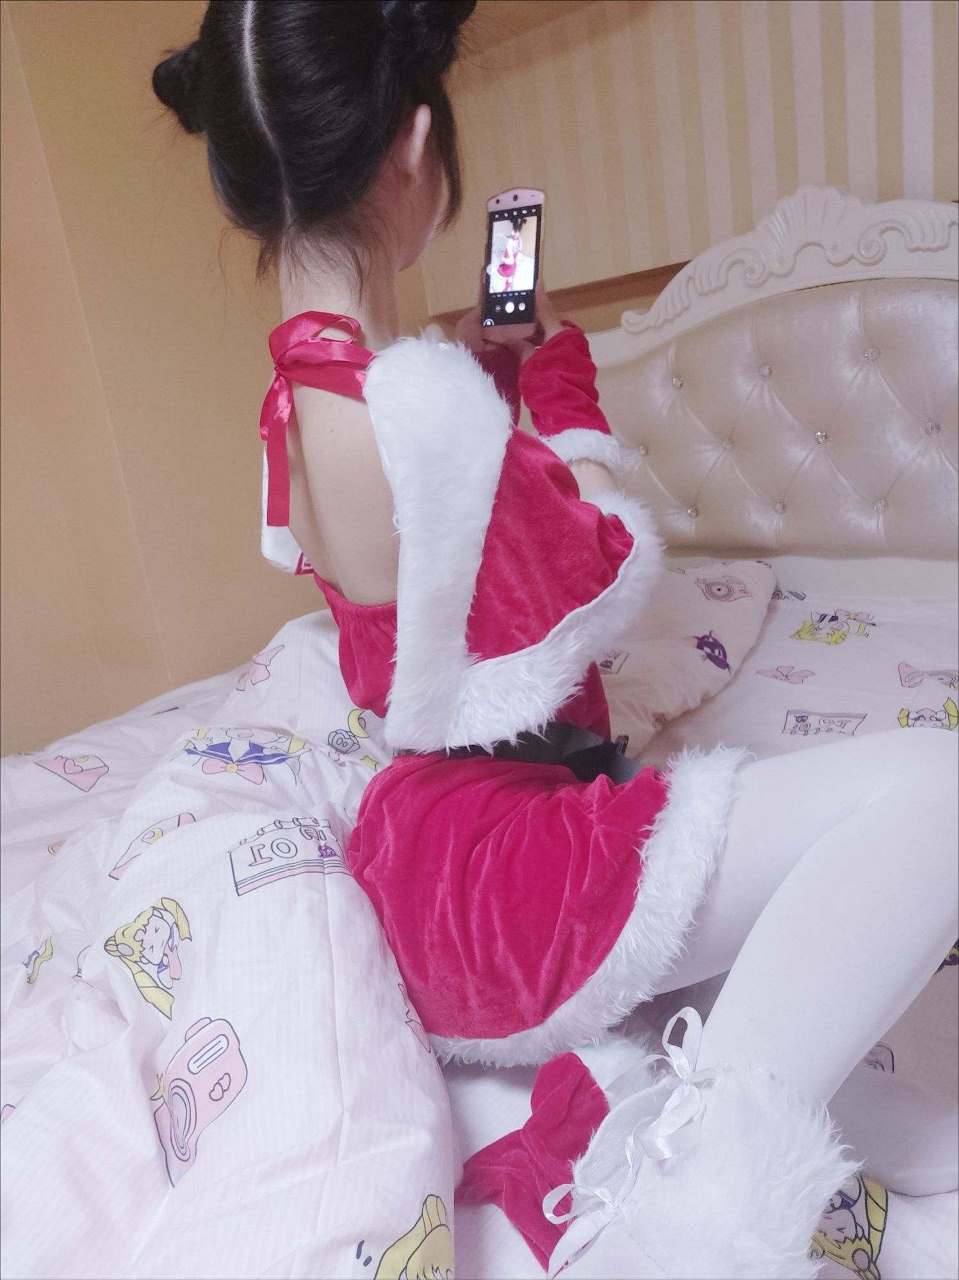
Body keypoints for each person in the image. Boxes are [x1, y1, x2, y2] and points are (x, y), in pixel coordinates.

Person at [152, 3, 958, 1275]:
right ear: (415, 147)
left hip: (424, 861)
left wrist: (493, 391)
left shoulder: (301, 400)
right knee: (934, 792)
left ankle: (837, 1142)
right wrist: (561, 397)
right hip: (511, 883)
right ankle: (687, 1218)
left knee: (894, 1109)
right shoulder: (419, 410)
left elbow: (443, 583)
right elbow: (606, 563)